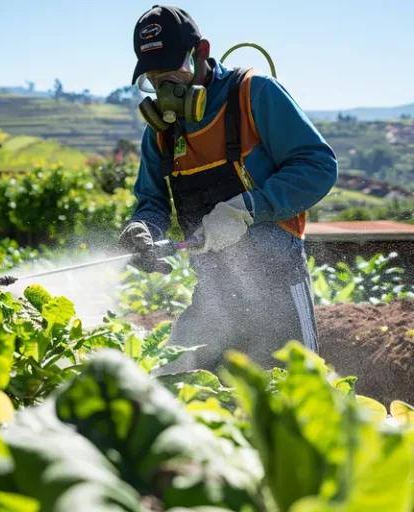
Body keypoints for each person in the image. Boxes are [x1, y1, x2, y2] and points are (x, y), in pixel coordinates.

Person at [117, 5, 338, 374]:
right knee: (172, 382)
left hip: (278, 282)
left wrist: (246, 208)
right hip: (214, 290)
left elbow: (318, 166)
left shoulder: (253, 93)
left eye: (173, 70)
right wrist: (143, 229)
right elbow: (151, 202)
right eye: (154, 76)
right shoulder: (160, 133)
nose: (164, 85)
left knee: (291, 398)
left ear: (200, 52)